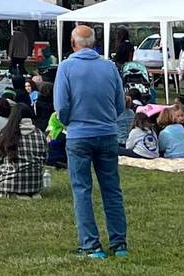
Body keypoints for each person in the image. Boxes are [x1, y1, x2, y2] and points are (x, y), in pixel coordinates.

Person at [53, 25, 128, 259]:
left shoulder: (66, 67)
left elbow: (61, 106)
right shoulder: (109, 67)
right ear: (94, 44)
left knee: (82, 190)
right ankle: (119, 243)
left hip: (78, 134)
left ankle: (91, 245)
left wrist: (68, 122)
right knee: (112, 189)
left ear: (72, 43)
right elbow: (120, 104)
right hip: (107, 133)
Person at [0, 103, 46, 198]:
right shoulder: (40, 134)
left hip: (9, 185)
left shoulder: (7, 134)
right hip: (35, 185)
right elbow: (44, 158)